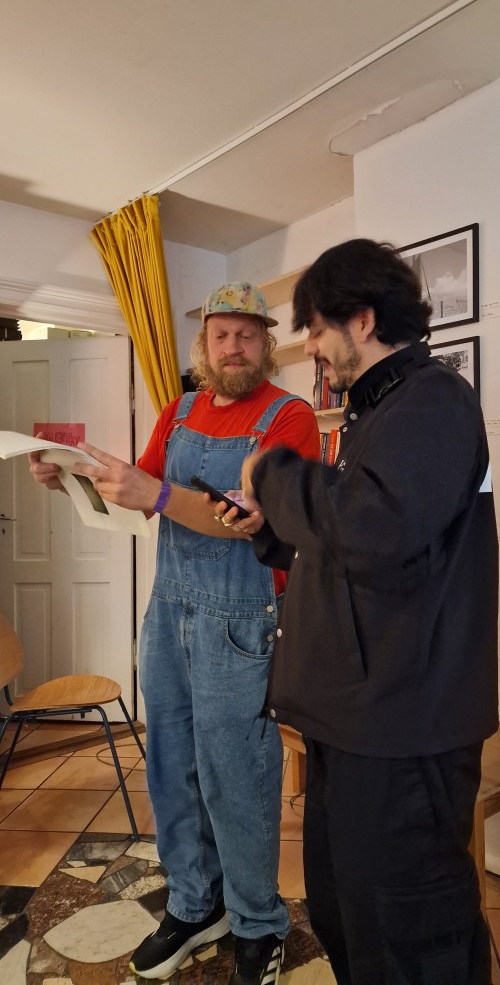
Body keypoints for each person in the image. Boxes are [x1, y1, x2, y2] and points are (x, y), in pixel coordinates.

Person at [29, 282, 321, 985]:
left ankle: (257, 923)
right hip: (168, 611)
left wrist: (155, 493)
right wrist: (70, 477)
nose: (233, 346)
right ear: (204, 344)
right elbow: (136, 496)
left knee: (235, 776)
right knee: (169, 766)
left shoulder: (290, 418)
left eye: (247, 334)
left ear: (266, 343)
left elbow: (257, 523)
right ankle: (194, 905)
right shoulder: (180, 410)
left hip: (241, 620)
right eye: (221, 334)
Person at [240, 240, 499, 985]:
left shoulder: (434, 401)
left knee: (409, 936)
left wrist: (274, 473)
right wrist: (269, 525)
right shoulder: (376, 415)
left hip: (403, 727)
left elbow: (376, 530)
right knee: (346, 914)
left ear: (362, 319)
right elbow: (356, 545)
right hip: (353, 721)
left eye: (317, 328)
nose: (311, 347)